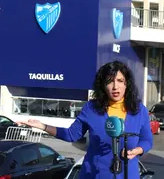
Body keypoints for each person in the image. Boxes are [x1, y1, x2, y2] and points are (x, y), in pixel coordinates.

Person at [17, 61, 153, 179]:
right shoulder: (91, 108)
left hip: (128, 175)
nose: (115, 86)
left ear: (126, 84)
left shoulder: (139, 110)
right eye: (109, 81)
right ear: (103, 85)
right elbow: (71, 134)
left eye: (119, 81)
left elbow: (147, 140)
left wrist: (138, 150)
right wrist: (43, 126)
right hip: (94, 175)